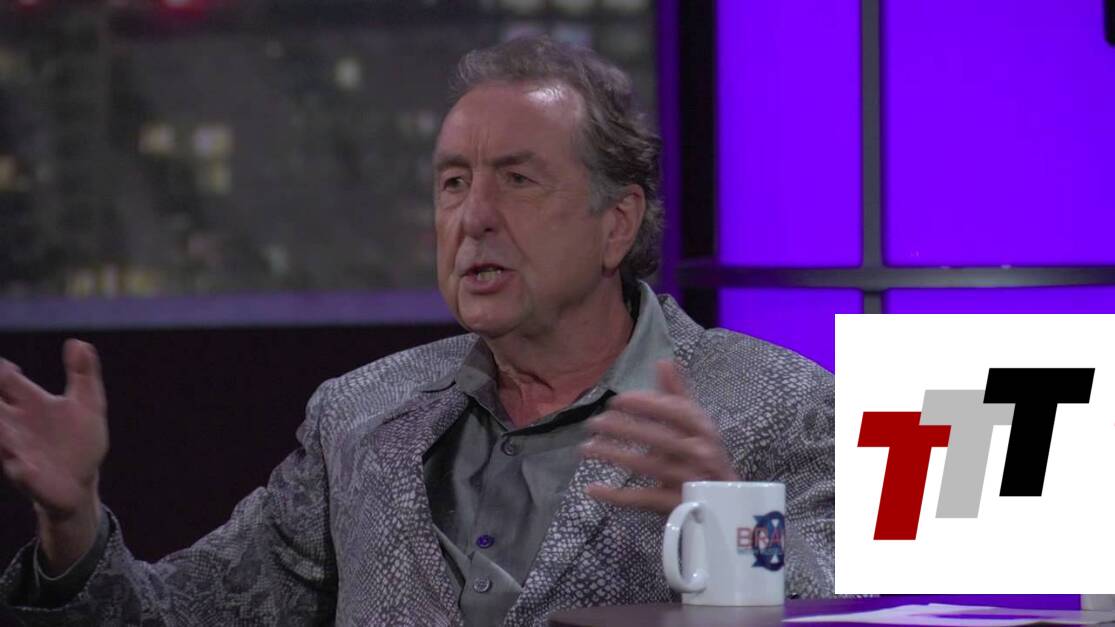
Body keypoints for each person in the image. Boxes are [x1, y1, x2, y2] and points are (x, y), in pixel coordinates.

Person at [0, 36, 834, 625]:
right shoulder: (360, 416)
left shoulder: (781, 404)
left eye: (517, 180)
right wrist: (73, 522)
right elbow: (181, 614)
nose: (474, 217)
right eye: (452, 182)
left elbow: (866, 612)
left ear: (616, 222)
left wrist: (728, 527)